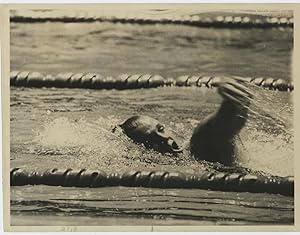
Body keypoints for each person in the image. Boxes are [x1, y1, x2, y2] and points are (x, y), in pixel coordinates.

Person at [116, 76, 254, 166]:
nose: (164, 138)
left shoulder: (198, 145)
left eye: (161, 129)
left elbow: (217, 127)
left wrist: (232, 100)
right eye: (152, 141)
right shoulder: (192, 158)